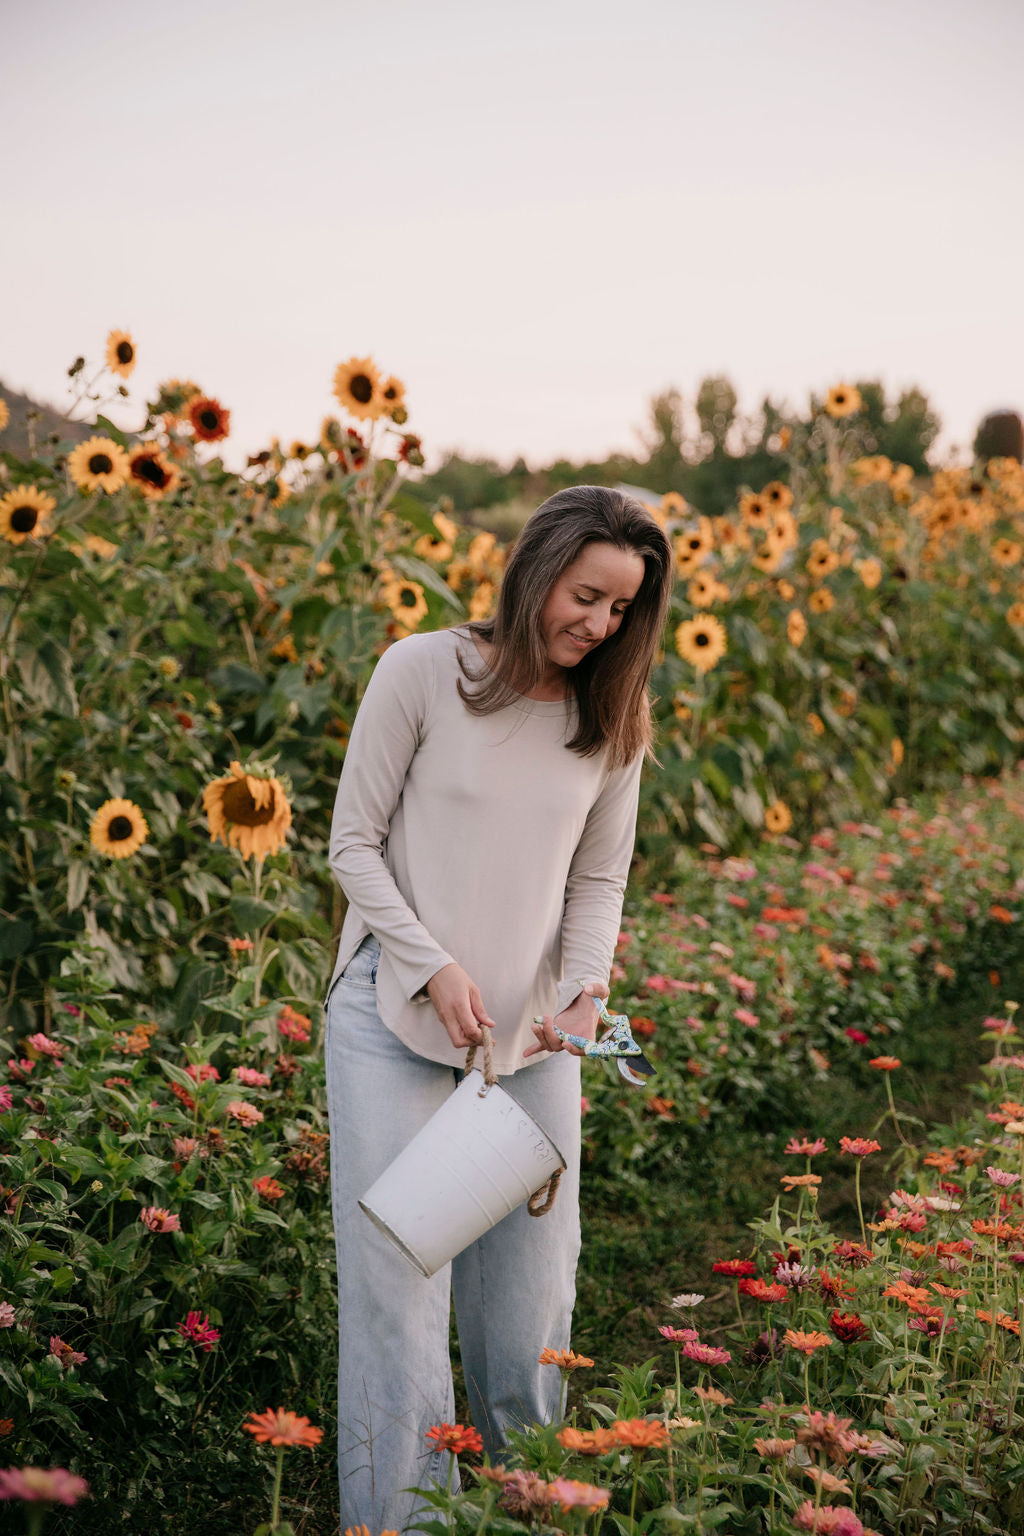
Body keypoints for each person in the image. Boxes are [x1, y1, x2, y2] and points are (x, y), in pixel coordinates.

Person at [325, 484, 673, 1532]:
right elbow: (351, 843)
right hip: (391, 1019)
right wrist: (431, 963)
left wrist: (585, 993)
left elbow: (598, 883)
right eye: (586, 596)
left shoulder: (611, 717)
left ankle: (528, 1511)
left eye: (621, 609)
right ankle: (404, 1522)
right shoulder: (424, 671)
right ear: (536, 571)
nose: (600, 625)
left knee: (530, 1312)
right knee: (399, 1298)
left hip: (533, 1044)